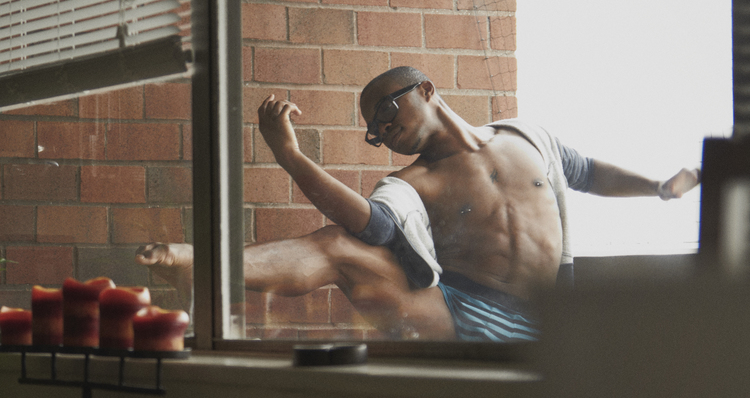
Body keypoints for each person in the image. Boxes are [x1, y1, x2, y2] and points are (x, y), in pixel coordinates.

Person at [136, 66, 701, 342]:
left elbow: (588, 172)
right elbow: (375, 229)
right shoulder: (412, 183)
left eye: (386, 114)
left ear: (425, 91)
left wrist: (657, 187)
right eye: (374, 131)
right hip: (465, 309)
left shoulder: (527, 138)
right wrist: (290, 156)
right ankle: (202, 264)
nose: (382, 132)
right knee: (338, 246)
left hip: (551, 321)